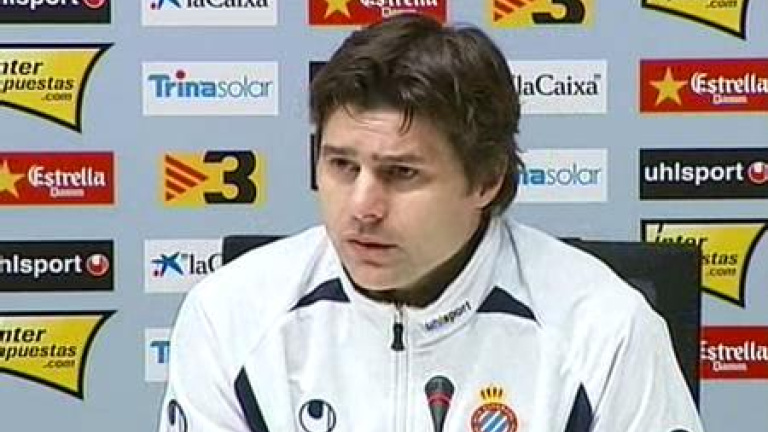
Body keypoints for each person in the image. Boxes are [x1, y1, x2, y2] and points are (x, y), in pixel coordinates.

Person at [157, 13, 704, 432]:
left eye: (402, 173)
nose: (362, 206)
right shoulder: (229, 315)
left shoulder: (605, 330)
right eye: (342, 165)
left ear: (486, 179)